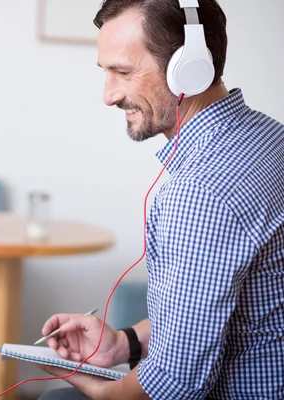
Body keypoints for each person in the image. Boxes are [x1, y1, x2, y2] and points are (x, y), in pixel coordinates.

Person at [36, 1, 284, 399]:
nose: (109, 95)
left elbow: (174, 383)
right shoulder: (268, 137)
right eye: (106, 73)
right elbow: (225, 307)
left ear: (189, 67)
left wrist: (101, 394)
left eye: (123, 72)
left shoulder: (199, 193)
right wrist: (124, 344)